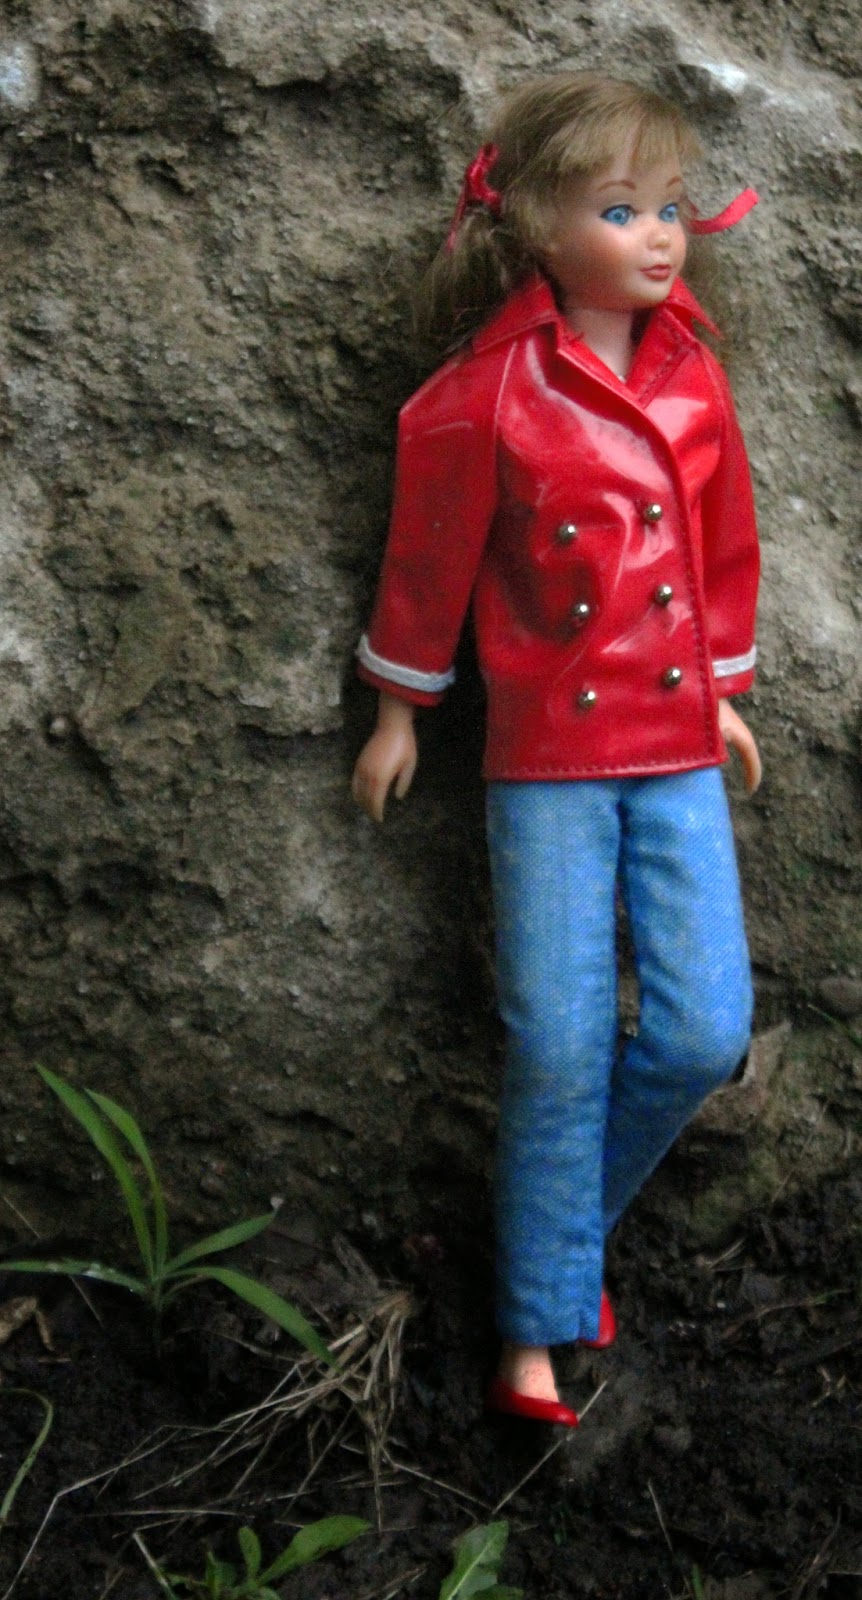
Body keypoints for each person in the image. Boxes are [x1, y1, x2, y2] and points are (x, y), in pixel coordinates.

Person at [351, 73, 761, 1427]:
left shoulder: (692, 376)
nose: (661, 236)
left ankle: (546, 1249)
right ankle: (534, 1328)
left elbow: (720, 548)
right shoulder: (485, 395)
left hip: (677, 738)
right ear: (532, 224)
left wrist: (722, 688)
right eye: (621, 210)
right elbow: (427, 562)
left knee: (703, 1028)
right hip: (544, 754)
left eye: (671, 208)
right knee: (559, 1039)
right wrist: (399, 711)